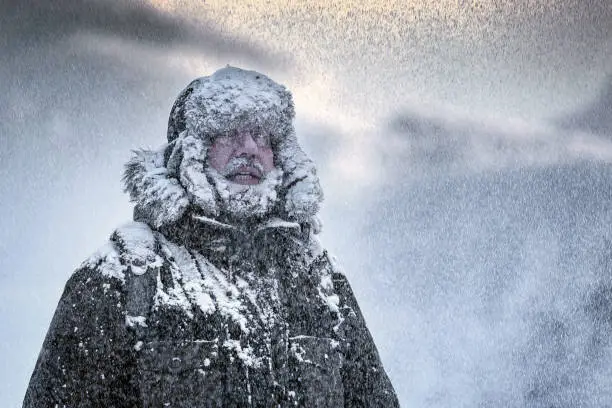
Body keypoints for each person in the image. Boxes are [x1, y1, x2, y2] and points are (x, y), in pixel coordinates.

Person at [23, 66, 399, 407]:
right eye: (228, 132)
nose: (249, 148)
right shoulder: (121, 278)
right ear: (191, 151)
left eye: (261, 135)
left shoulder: (318, 280)